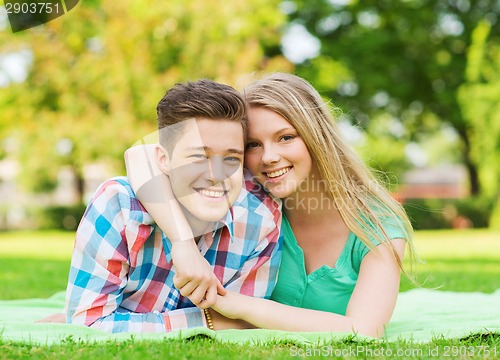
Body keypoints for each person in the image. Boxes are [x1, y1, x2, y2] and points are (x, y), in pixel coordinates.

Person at [127, 73, 415, 338]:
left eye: (286, 137)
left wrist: (237, 305)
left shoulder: (378, 225)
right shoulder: (252, 195)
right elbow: (140, 155)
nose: (269, 158)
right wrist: (183, 243)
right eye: (253, 145)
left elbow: (364, 331)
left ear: (317, 137)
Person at [63, 79, 282, 333]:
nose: (216, 174)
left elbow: (244, 321)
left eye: (231, 158)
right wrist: (206, 322)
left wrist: (125, 321)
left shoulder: (259, 222)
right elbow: (87, 326)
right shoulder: (118, 207)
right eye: (199, 156)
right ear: (163, 160)